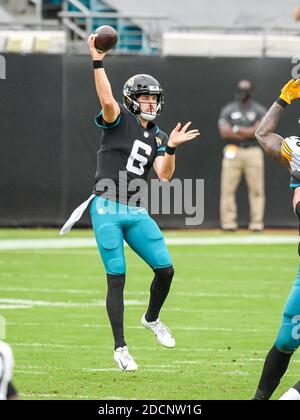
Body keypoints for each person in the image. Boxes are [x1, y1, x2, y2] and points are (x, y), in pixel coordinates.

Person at [61, 34, 200, 372]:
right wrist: (97, 60)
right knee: (117, 277)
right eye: (146, 99)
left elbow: (165, 176)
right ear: (133, 100)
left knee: (165, 269)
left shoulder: (159, 135)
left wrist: (172, 148)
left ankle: (151, 318)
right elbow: (107, 99)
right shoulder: (119, 117)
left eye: (154, 99)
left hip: (136, 209)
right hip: (106, 206)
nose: (151, 104)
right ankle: (120, 347)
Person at [252, 79, 300, 400]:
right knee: (285, 340)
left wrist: (284, 100)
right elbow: (263, 135)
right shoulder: (297, 153)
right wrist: (283, 99)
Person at [218, 80, 266, 231]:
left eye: (246, 89)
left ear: (251, 91)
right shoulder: (228, 109)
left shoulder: (259, 110)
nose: (243, 92)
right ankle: (228, 223)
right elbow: (224, 132)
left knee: (257, 189)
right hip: (233, 150)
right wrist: (249, 132)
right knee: (227, 189)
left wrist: (236, 129)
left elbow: (259, 132)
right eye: (240, 89)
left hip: (253, 151)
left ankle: (257, 223)